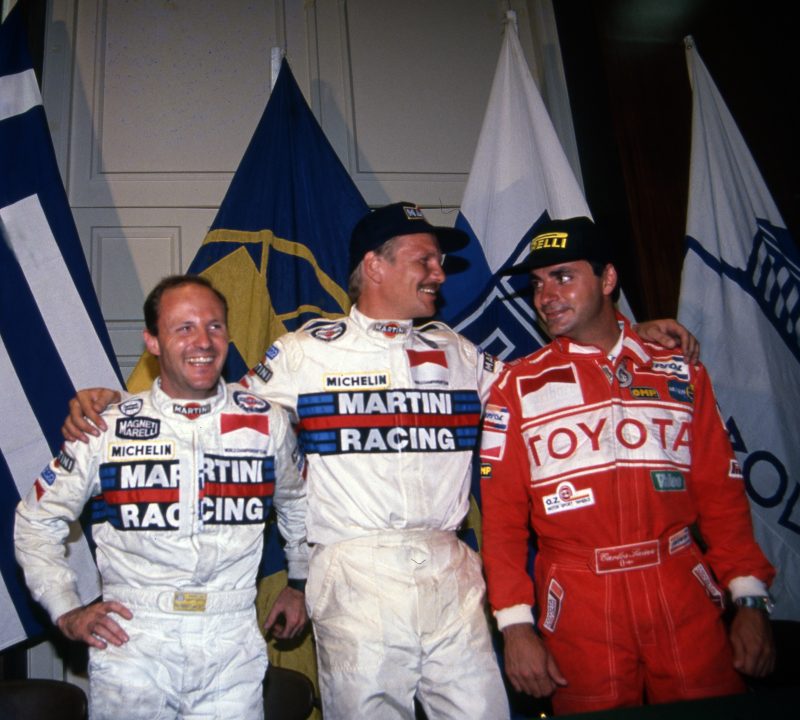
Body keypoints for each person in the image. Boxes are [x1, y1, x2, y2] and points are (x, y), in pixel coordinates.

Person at [61, 204, 698, 720]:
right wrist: (113, 404)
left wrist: (631, 338)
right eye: (425, 259)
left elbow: (548, 383)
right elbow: (209, 408)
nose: (440, 273)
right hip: (356, 571)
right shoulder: (306, 352)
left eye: (439, 261)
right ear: (374, 265)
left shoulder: (458, 352)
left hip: (450, 570)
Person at [479, 217, 776, 715]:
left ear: (608, 279)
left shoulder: (679, 370)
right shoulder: (515, 387)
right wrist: (515, 627)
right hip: (579, 600)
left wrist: (749, 598)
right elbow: (502, 523)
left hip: (680, 586)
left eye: (563, 276)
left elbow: (722, 496)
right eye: (537, 283)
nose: (546, 296)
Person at [15, 275, 308, 720]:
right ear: (152, 341)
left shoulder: (267, 423)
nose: (203, 341)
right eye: (184, 328)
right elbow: (36, 521)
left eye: (214, 326)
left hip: (230, 636)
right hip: (133, 639)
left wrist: (300, 582)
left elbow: (298, 505)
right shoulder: (106, 427)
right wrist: (66, 609)